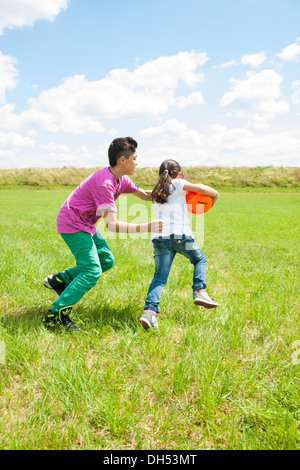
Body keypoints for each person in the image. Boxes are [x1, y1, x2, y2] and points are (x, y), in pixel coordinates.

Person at [43, 137, 164, 330]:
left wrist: (173, 191)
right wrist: (147, 226)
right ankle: (55, 315)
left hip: (86, 223)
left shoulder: (121, 179)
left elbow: (146, 195)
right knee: (91, 270)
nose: (137, 162)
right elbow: (112, 225)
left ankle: (59, 281)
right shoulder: (105, 183)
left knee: (106, 260)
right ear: (122, 160)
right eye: (135, 158)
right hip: (72, 223)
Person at [139, 159, 219, 330]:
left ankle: (150, 312)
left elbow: (143, 194)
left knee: (159, 277)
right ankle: (199, 291)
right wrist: (216, 194)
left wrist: (127, 188)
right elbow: (203, 189)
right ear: (179, 173)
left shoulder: (157, 190)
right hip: (180, 236)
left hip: (160, 239)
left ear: (161, 174)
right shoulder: (179, 183)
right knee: (199, 260)